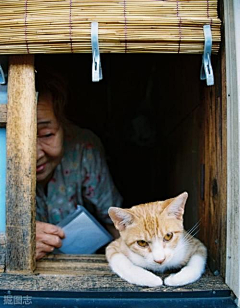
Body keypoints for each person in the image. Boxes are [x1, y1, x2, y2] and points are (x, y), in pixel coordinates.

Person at [35, 69, 122, 260]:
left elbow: (116, 223)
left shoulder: (84, 150)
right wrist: (17, 241)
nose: (34, 154)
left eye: (47, 134)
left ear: (64, 125)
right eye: (16, 138)